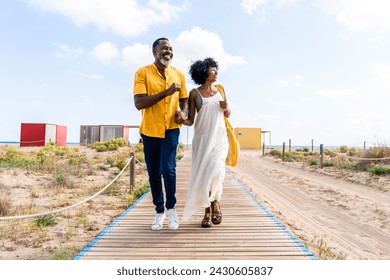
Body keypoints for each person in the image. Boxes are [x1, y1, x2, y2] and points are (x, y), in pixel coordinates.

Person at [133, 37, 188, 231]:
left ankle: (171, 209)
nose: (168, 52)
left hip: (171, 129)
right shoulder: (142, 73)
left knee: (168, 170)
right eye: (164, 49)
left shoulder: (178, 74)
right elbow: (139, 103)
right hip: (150, 130)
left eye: (171, 49)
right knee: (154, 172)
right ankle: (159, 211)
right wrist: (166, 93)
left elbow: (184, 100)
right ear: (154, 51)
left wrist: (183, 112)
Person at [179, 57, 230, 227]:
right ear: (203, 72)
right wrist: (180, 119)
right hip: (203, 138)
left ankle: (215, 202)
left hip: (220, 137)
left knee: (217, 169)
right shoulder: (195, 93)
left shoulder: (221, 90)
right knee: (204, 175)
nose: (216, 72)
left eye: (216, 69)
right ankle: (207, 210)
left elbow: (227, 114)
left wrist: (226, 108)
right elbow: (191, 120)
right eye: (212, 69)